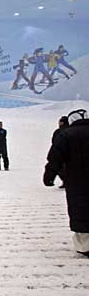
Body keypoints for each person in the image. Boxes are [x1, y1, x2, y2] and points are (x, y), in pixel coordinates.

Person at [44, 109, 89, 257]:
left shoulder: (66, 134)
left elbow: (55, 157)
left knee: (80, 210)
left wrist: (49, 176)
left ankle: (84, 246)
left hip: (76, 180)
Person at [51, 116, 69, 188]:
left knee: (60, 168)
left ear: (62, 122)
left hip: (60, 153)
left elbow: (54, 142)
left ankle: (66, 182)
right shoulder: (71, 130)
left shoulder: (58, 131)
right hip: (71, 154)